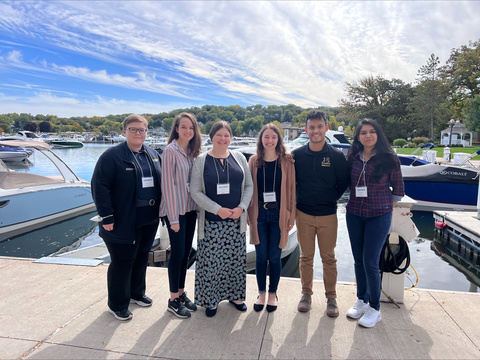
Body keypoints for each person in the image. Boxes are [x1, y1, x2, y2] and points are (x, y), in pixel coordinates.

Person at [91, 114, 161, 321]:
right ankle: (117, 304)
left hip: (149, 218)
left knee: (141, 257)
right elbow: (99, 187)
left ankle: (136, 293)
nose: (139, 133)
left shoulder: (152, 154)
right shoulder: (112, 156)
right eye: (134, 129)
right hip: (123, 219)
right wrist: (107, 217)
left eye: (142, 130)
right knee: (122, 262)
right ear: (125, 131)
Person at [345, 118, 404, 328]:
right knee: (358, 260)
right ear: (358, 137)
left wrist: (382, 204)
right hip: (354, 214)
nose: (367, 135)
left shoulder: (389, 158)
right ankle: (361, 299)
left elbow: (398, 191)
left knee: (370, 261)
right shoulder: (352, 157)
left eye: (371, 132)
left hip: (378, 215)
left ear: (377, 134)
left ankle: (375, 308)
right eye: (363, 133)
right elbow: (345, 182)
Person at [190, 121, 253, 317]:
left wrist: (242, 207)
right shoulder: (201, 160)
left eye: (227, 135)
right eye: (219, 135)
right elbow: (195, 191)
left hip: (236, 223)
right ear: (211, 137)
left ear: (231, 138)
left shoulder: (240, 158)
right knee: (212, 263)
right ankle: (211, 300)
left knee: (235, 262)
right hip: (211, 224)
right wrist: (218, 209)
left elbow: (249, 186)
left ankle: (236, 296)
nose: (223, 138)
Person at [292, 109, 349, 316]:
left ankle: (331, 297)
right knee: (306, 257)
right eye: (311, 127)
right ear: (306, 130)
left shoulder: (335, 156)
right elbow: (291, 183)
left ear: (326, 128)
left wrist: (329, 198)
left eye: (319, 126)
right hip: (304, 214)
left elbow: (343, 182)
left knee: (329, 258)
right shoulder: (296, 156)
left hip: (328, 215)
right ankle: (306, 294)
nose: (315, 131)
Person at [247, 124, 296, 313]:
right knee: (260, 257)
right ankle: (260, 294)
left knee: (275, 257)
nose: (269, 141)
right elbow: (249, 190)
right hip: (259, 214)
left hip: (279, 214)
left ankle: (273, 294)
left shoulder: (287, 161)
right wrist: (249, 214)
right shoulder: (254, 161)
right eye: (266, 137)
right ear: (261, 139)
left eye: (273, 137)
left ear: (278, 139)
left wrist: (291, 215)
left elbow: (291, 189)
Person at [159, 112, 202, 319]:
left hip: (190, 209)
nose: (188, 131)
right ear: (176, 129)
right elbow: (167, 187)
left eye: (191, 128)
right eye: (184, 127)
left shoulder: (192, 152)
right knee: (176, 255)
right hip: (175, 211)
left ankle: (182, 293)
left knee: (185, 253)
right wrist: (173, 219)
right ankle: (172, 300)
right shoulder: (170, 151)